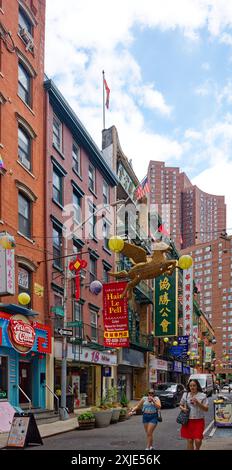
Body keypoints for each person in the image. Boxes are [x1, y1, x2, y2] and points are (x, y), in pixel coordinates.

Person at [179, 378, 209, 450]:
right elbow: (180, 405)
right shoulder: (186, 395)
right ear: (189, 387)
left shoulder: (203, 395)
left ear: (197, 386)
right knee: (189, 440)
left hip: (199, 420)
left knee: (198, 440)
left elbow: (206, 409)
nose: (192, 387)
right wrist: (183, 409)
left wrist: (198, 403)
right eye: (190, 386)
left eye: (194, 385)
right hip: (188, 421)